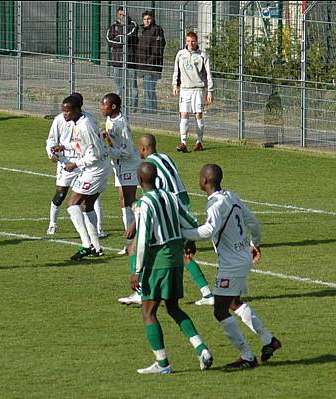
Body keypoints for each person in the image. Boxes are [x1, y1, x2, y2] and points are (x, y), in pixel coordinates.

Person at [181, 164, 282, 370]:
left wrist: (183, 233)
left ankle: (247, 356)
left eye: (200, 177)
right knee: (234, 302)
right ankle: (268, 340)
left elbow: (208, 230)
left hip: (231, 264)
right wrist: (255, 243)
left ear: (205, 181)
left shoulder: (215, 205)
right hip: (242, 256)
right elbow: (253, 222)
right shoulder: (232, 196)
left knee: (219, 309)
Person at [131, 162, 213, 375]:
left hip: (158, 261)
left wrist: (137, 270)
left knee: (148, 311)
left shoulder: (145, 203)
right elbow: (188, 219)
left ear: (140, 180)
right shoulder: (170, 196)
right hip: (176, 259)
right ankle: (202, 349)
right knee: (173, 307)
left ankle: (163, 363)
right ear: (156, 177)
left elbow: (143, 239)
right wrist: (191, 240)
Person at [118, 133, 214, 307]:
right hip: (181, 206)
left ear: (144, 148)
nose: (137, 151)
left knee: (134, 248)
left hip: (169, 208)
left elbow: (156, 194)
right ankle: (207, 294)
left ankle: (140, 293)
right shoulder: (165, 157)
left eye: (138, 147)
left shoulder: (149, 166)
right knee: (183, 254)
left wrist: (135, 223)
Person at [51, 96, 111, 260]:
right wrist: (64, 146)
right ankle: (97, 248)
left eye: (68, 111)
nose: (64, 114)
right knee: (87, 205)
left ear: (77, 110)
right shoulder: (80, 122)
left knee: (72, 204)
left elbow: (95, 155)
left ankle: (86, 245)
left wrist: (75, 164)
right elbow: (81, 144)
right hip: (98, 168)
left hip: (95, 169)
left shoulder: (85, 126)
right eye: (63, 110)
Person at [99, 93, 140, 253]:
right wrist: (105, 136)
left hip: (129, 164)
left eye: (104, 105)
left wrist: (107, 150)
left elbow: (128, 150)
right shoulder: (110, 120)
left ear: (113, 107)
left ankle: (137, 238)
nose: (102, 108)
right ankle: (130, 241)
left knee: (129, 202)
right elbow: (113, 139)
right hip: (119, 166)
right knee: (123, 201)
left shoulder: (121, 123)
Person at [172, 31, 214, 152]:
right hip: (185, 89)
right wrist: (175, 85)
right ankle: (183, 142)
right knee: (184, 114)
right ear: (186, 41)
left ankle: (199, 142)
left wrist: (210, 90)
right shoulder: (180, 54)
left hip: (198, 90)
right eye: (188, 41)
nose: (190, 43)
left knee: (198, 115)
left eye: (193, 41)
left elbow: (208, 74)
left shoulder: (202, 55)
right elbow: (176, 71)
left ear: (197, 42)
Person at [106, 7, 138, 112]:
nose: (122, 17)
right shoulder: (113, 26)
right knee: (119, 86)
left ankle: (133, 108)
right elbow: (109, 40)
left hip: (130, 61)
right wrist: (121, 40)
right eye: (120, 14)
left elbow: (129, 37)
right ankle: (119, 107)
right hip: (117, 62)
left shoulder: (133, 25)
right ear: (117, 15)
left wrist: (118, 39)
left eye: (123, 15)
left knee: (132, 86)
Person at [136, 10, 166, 113]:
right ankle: (151, 108)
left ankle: (149, 109)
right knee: (147, 88)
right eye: (144, 19)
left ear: (152, 19)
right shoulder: (142, 31)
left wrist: (150, 61)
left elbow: (158, 47)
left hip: (151, 65)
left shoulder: (157, 30)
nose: (146, 21)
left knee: (149, 88)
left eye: (148, 19)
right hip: (143, 65)